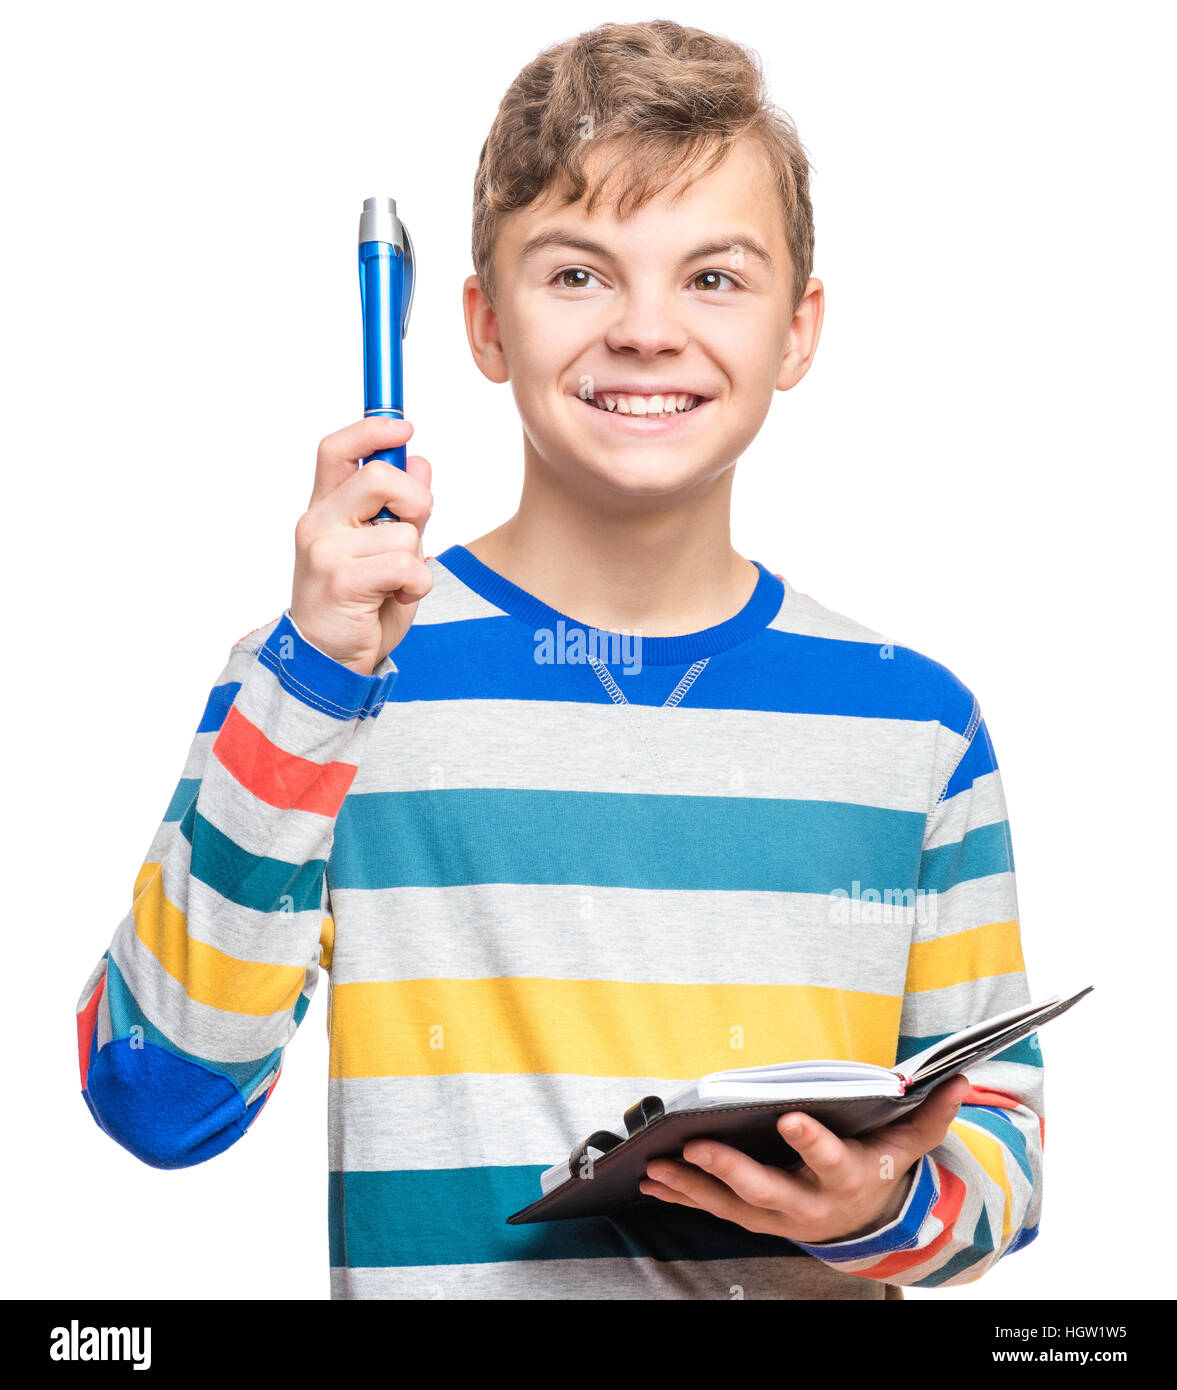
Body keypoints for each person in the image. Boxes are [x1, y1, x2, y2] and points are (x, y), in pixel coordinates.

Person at [76, 19, 1043, 1300]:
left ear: (798, 330)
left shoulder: (918, 724)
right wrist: (314, 685)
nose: (647, 329)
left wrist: (883, 1200)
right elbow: (157, 1101)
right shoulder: (325, 681)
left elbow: (1003, 1153)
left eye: (714, 277)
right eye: (578, 274)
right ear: (483, 324)